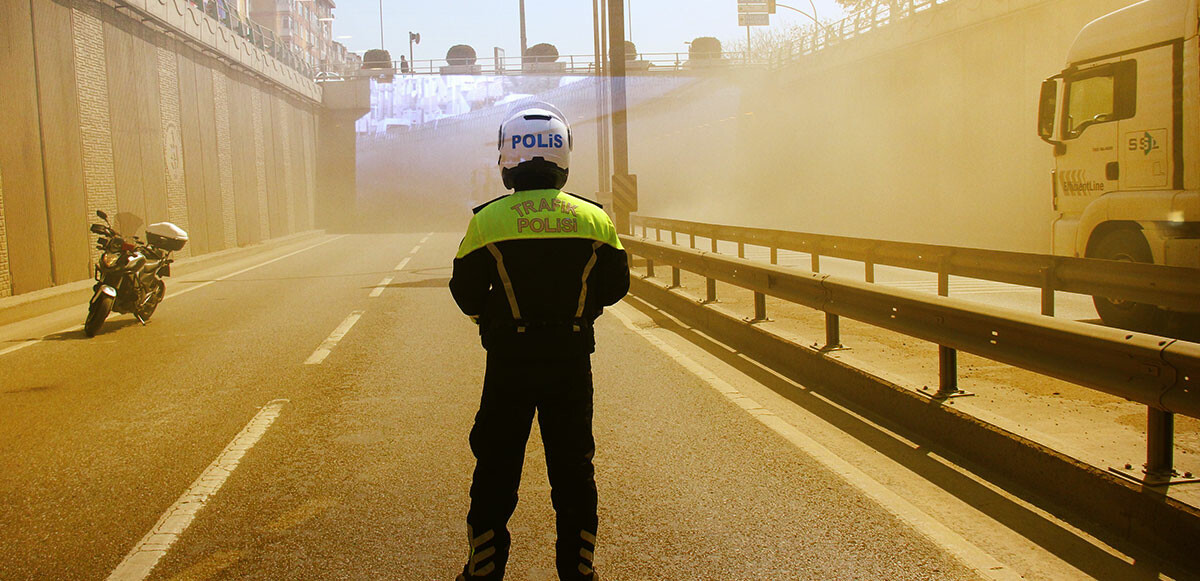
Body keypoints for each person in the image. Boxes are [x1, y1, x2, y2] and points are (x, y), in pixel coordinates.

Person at [449, 104, 629, 581]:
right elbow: (616, 286)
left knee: (496, 468)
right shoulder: (594, 219)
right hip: (571, 361)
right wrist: (580, 313)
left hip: (508, 362)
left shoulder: (488, 221)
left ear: (508, 157)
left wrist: (492, 322)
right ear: (563, 156)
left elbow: (464, 292)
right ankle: (578, 570)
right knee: (573, 471)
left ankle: (484, 570)